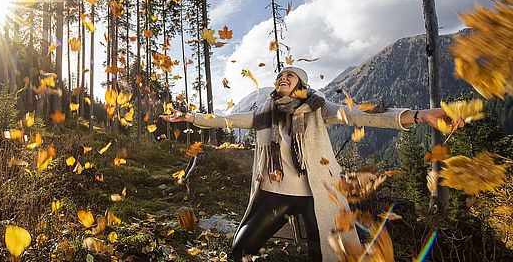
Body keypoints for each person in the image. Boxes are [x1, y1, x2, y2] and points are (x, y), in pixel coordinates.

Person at [161, 66, 464, 262]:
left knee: (324, 255)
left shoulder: (318, 108)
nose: (282, 76)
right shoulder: (264, 111)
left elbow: (357, 114)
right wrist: (190, 117)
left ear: (301, 85)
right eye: (280, 74)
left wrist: (417, 115)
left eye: (290, 75)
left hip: (316, 195)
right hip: (275, 192)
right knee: (241, 249)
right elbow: (226, 118)